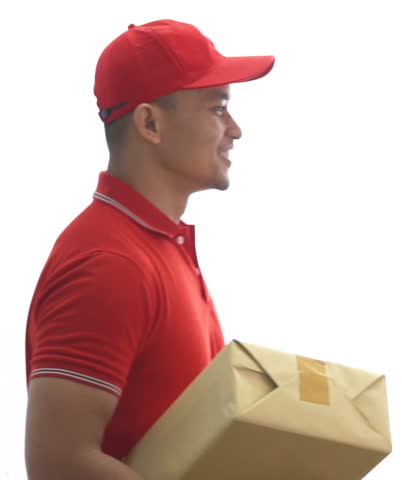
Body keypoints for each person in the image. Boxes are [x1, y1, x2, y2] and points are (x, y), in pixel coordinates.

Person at [24, 19, 274, 479]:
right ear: (150, 123)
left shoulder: (157, 248)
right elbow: (56, 464)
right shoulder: (111, 263)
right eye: (218, 108)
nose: (235, 130)